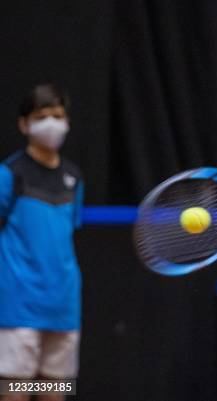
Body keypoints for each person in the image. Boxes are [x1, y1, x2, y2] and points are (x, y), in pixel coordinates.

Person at [0, 84, 83, 401]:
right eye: (42, 116)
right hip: (18, 306)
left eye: (58, 116)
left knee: (54, 390)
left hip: (63, 305)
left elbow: (68, 233)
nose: (52, 123)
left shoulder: (74, 177)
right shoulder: (9, 174)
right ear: (24, 124)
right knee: (16, 390)